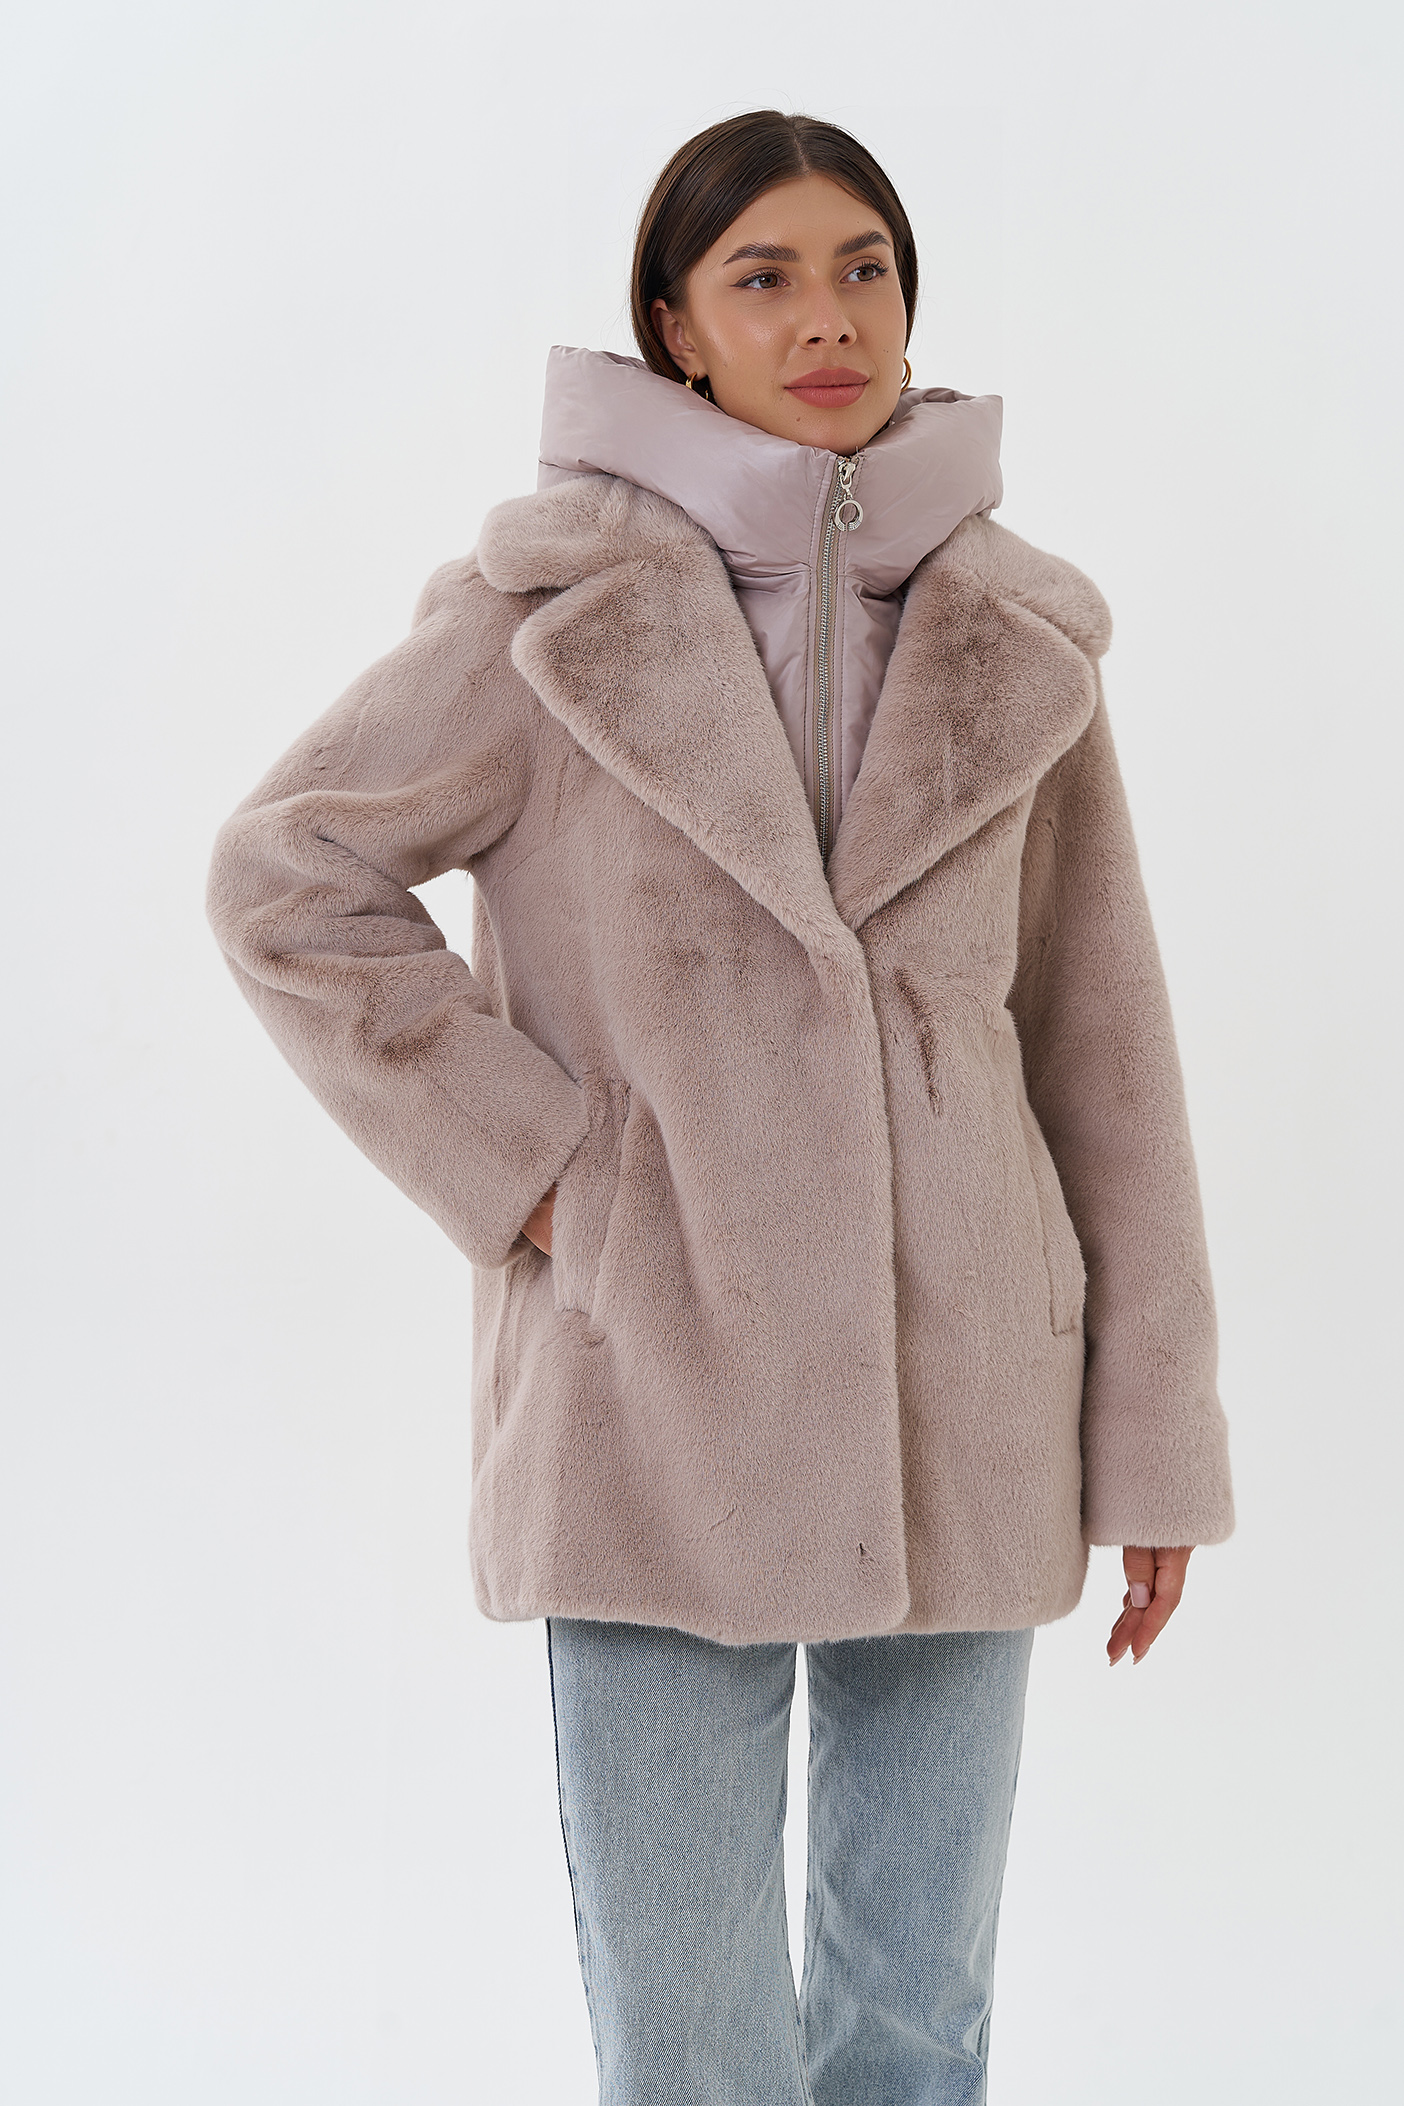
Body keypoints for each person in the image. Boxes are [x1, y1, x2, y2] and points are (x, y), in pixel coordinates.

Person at [206, 109, 1234, 2106]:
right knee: (687, 2038)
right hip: (652, 1397)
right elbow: (287, 878)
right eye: (764, 276)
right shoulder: (545, 616)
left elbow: (1105, 1045)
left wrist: (1155, 1441)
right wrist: (548, 1179)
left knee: (917, 2017)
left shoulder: (1021, 642)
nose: (828, 317)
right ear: (675, 325)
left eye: (865, 268)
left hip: (969, 1393)